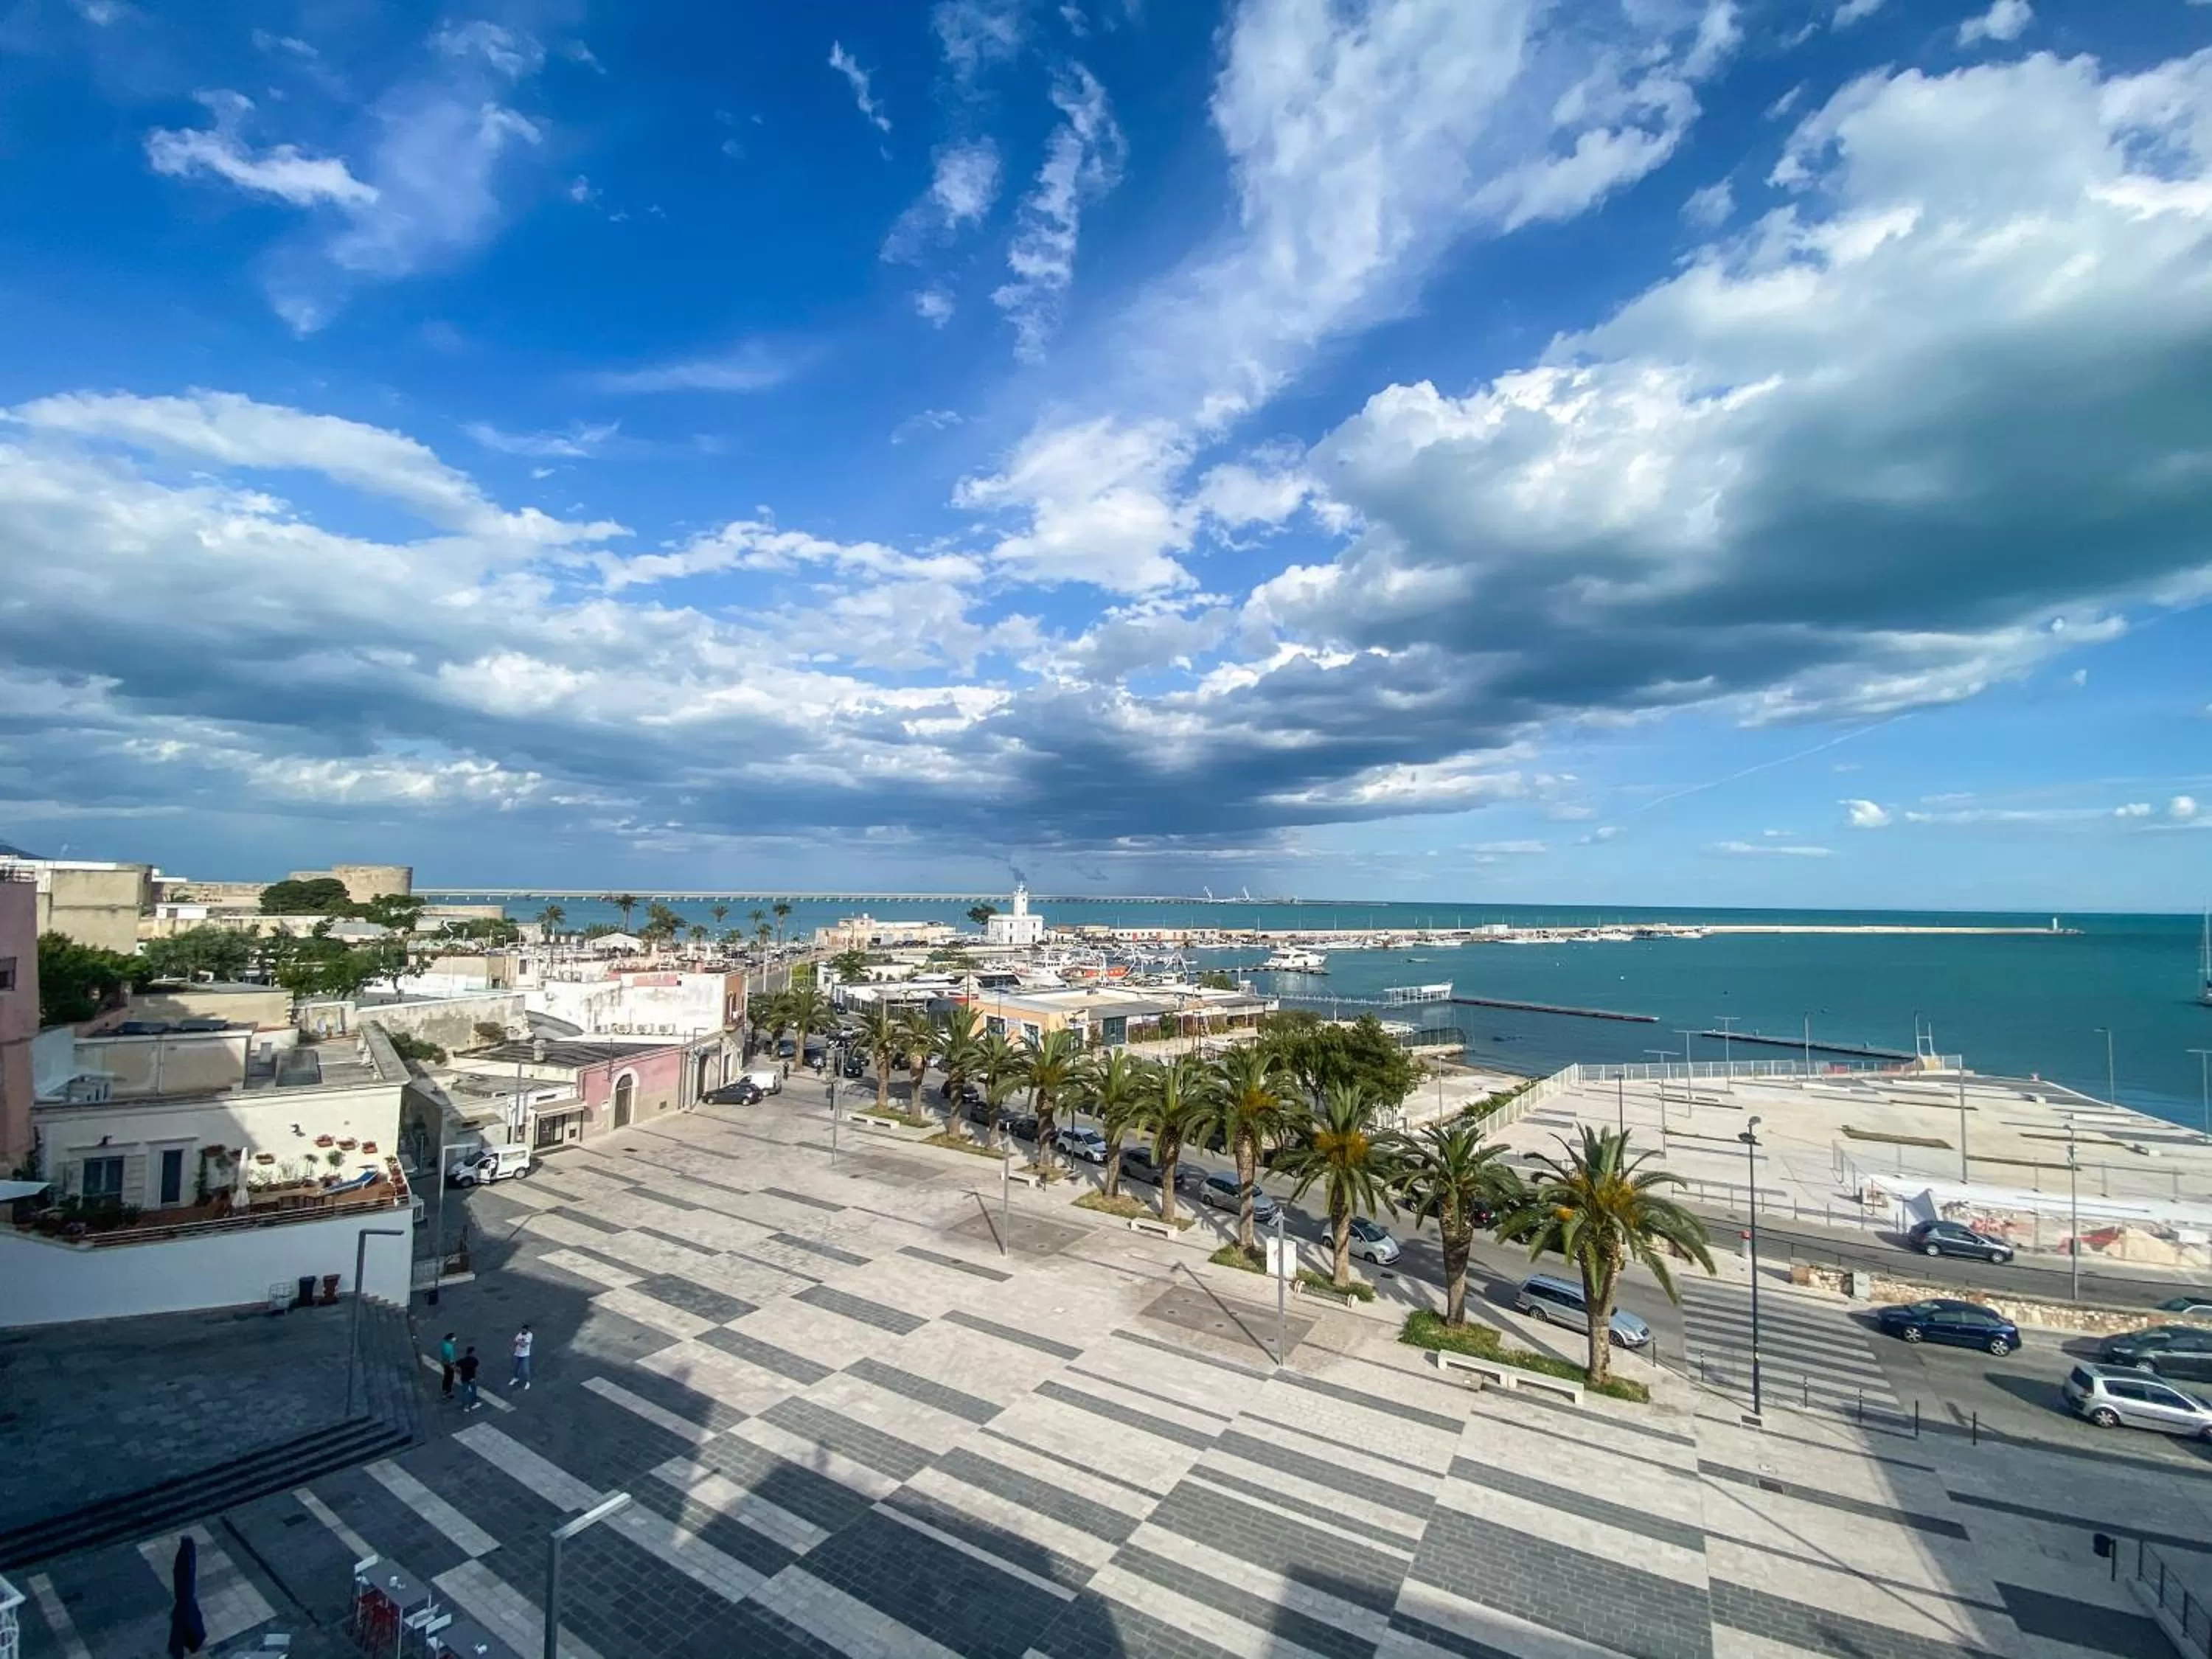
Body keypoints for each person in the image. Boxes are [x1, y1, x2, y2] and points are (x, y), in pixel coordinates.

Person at [457, 1345, 482, 1411]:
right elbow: (476, 1368)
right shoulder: (474, 1360)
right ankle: (474, 1403)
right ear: (472, 1352)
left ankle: (466, 1406)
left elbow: (454, 1365)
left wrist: (459, 1371)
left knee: (465, 1392)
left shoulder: (462, 1360)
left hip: (464, 1378)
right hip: (471, 1378)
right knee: (473, 1390)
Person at [510, 1324, 533, 1390]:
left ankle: (528, 1382)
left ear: (527, 1330)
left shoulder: (530, 1335)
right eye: (522, 1329)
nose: (523, 1331)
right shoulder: (520, 1334)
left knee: (526, 1370)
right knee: (516, 1368)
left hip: (525, 1355)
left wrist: (519, 1342)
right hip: (518, 1354)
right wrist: (520, 1342)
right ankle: (516, 1378)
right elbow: (515, 1342)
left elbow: (524, 1345)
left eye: (524, 1330)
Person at [438, 1332, 457, 1400]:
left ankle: (444, 1389)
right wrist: (453, 1366)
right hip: (449, 1365)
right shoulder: (450, 1347)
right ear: (450, 1339)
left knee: (446, 1377)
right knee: (450, 1378)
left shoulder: (444, 1344)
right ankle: (449, 1392)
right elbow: (451, 1358)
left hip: (444, 1363)